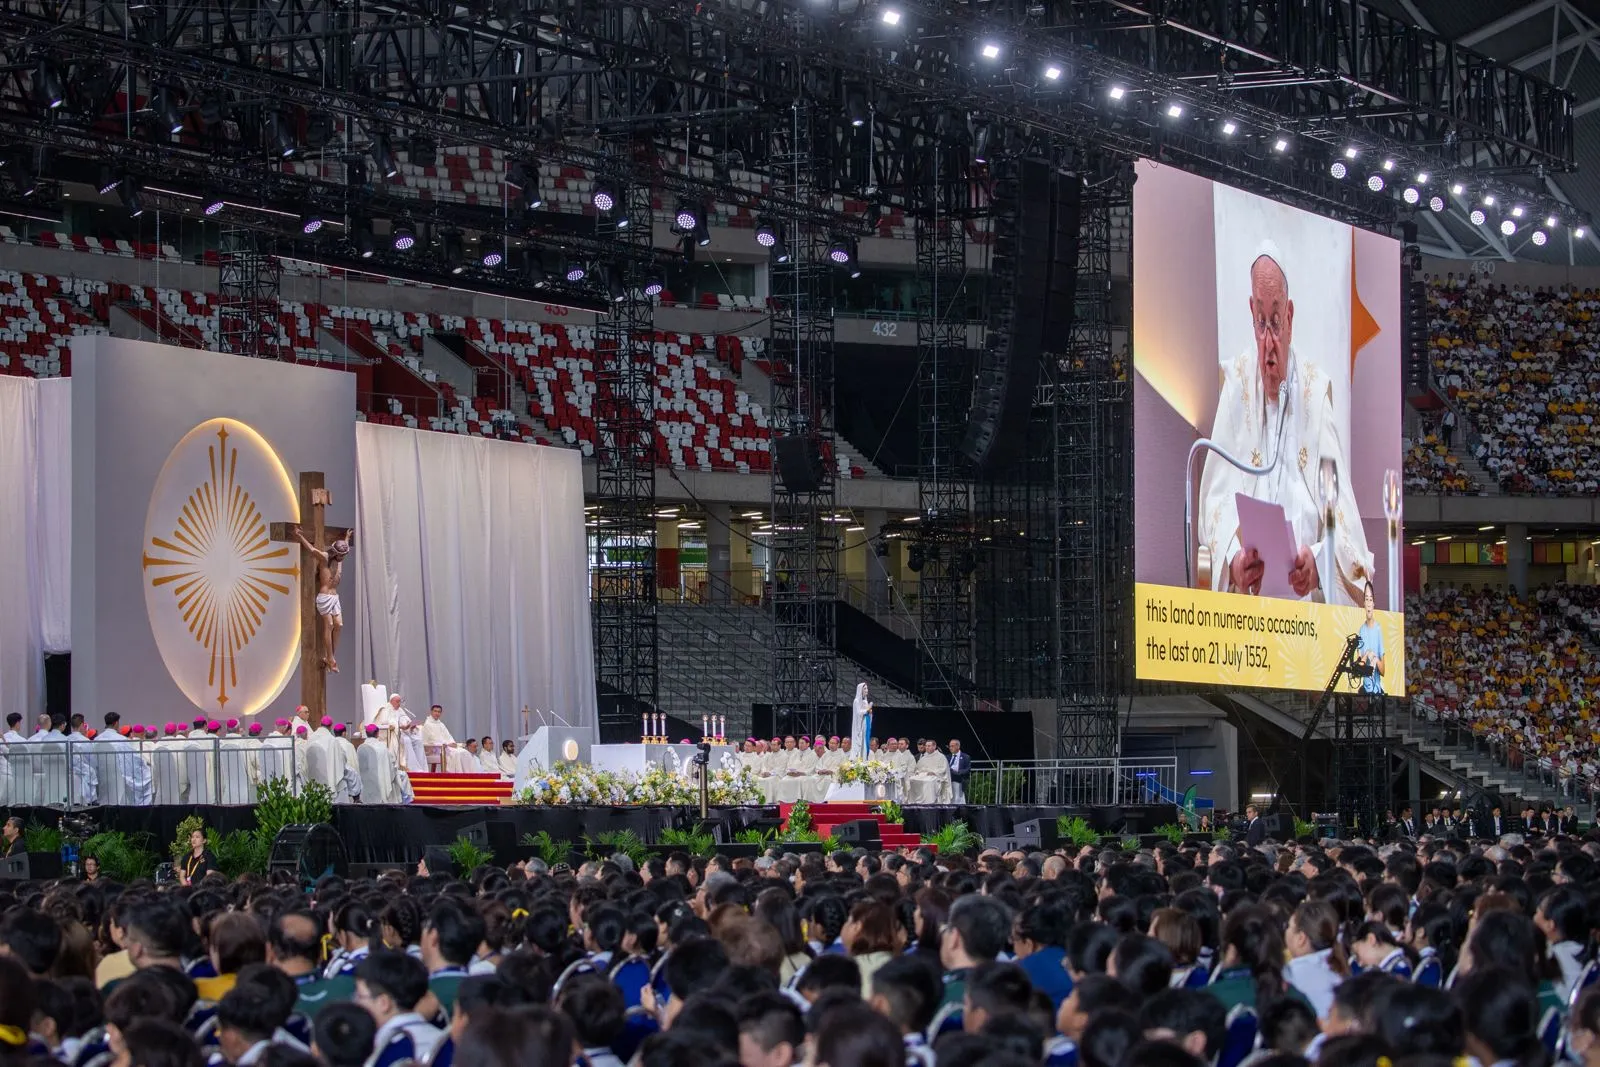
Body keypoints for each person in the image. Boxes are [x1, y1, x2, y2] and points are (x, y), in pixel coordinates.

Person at [1196, 242, 1373, 605]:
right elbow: (1214, 502)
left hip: (1304, 613)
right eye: (1261, 322)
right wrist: (1233, 559)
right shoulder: (1237, 385)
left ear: (1290, 317)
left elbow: (1341, 515)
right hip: (1246, 612)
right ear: (1250, 313)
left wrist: (1319, 563)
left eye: (1275, 322)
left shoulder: (1313, 392)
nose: (1268, 342)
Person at [292, 524, 352, 673]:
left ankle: (330, 656)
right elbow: (312, 550)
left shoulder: (339, 560)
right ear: (336, 552)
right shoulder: (325, 558)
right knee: (329, 625)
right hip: (325, 597)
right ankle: (331, 659)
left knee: (339, 625)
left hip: (335, 598)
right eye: (341, 554)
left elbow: (343, 547)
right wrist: (299, 536)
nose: (343, 557)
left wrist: (346, 538)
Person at [1355, 581, 1386, 695]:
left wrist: (1375, 659)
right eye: (1366, 599)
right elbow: (1358, 669)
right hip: (1364, 690)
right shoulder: (1361, 630)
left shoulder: (1378, 629)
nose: (1368, 603)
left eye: (1371, 599)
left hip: (1377, 691)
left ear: (1374, 603)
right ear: (1364, 603)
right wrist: (1366, 654)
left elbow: (1382, 671)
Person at [905, 740, 950, 805]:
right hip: (923, 775)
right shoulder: (924, 758)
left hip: (935, 777)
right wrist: (917, 772)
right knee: (911, 780)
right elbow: (917, 768)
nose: (927, 747)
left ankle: (929, 803)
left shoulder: (941, 757)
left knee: (929, 782)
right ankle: (913, 802)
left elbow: (943, 769)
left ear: (934, 746)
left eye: (929, 746)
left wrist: (934, 772)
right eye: (926, 746)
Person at [850, 683, 874, 754]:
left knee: (865, 739)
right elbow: (858, 713)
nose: (867, 690)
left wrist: (870, 712)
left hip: (866, 721)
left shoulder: (865, 701)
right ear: (860, 690)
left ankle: (864, 756)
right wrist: (867, 710)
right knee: (861, 740)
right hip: (860, 723)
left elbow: (867, 712)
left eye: (867, 688)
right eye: (865, 688)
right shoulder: (856, 701)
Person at [947, 739, 970, 804]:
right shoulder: (947, 757)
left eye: (952, 746)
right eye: (950, 746)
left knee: (958, 800)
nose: (950, 748)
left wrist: (958, 772)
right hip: (948, 780)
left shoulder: (965, 757)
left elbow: (967, 769)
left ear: (958, 746)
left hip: (959, 779)